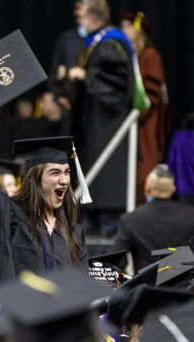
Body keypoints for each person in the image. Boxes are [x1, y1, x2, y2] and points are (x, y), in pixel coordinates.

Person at [0, 84, 89, 285]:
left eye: (67, 172)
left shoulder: (73, 231)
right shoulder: (11, 216)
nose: (65, 180)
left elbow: (82, 284)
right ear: (36, 179)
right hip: (17, 314)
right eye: (55, 172)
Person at [70, 0, 135, 235]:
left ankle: (105, 221)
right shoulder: (98, 42)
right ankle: (92, 218)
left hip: (107, 121)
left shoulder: (111, 43)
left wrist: (85, 76)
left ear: (92, 19)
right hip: (95, 121)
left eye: (81, 17)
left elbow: (115, 86)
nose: (78, 21)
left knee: (105, 170)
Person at [112, 164, 194, 271]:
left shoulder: (130, 219)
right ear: (173, 190)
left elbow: (116, 263)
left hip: (146, 286)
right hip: (183, 286)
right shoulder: (191, 215)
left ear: (147, 188)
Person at [120, 12, 168, 205]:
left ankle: (145, 211)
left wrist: (138, 113)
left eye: (128, 26)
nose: (124, 30)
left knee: (144, 169)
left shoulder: (150, 55)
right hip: (128, 122)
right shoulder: (127, 54)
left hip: (146, 122)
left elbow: (154, 93)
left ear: (139, 30)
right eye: (122, 26)